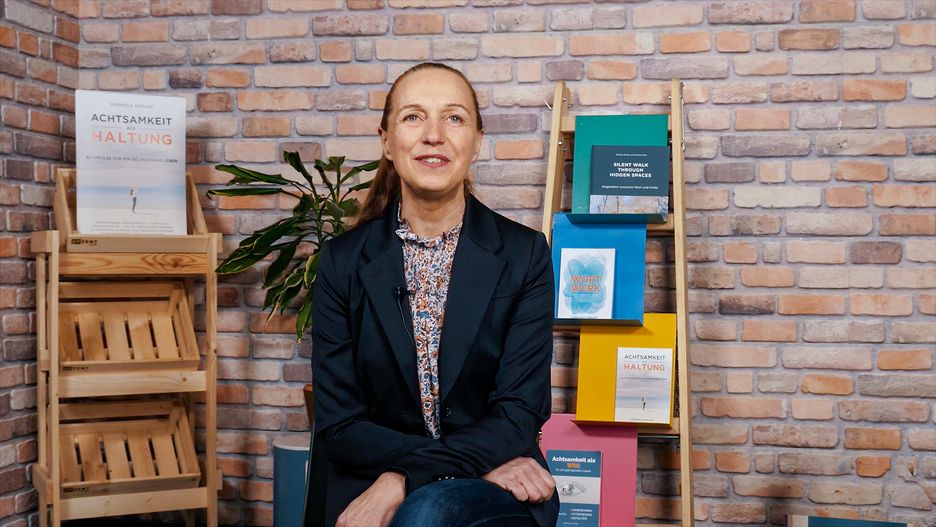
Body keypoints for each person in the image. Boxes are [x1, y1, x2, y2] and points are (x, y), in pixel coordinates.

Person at [308, 62, 559, 527]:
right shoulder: (342, 261)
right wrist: (440, 467)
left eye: (454, 118)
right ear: (386, 140)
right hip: (386, 477)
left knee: (426, 512)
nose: (433, 135)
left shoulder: (525, 255)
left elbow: (519, 412)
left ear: (477, 141)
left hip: (494, 488)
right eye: (413, 117)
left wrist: (403, 476)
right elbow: (340, 423)